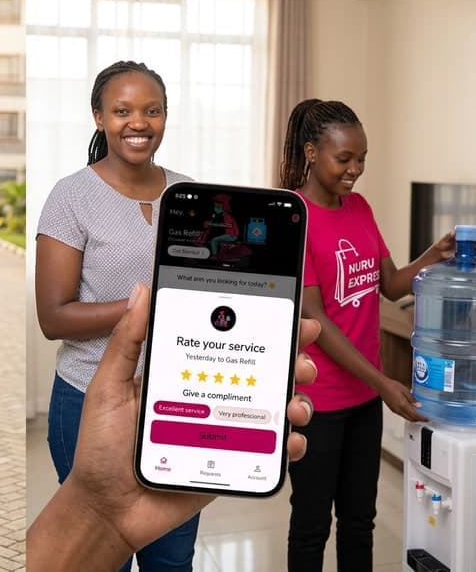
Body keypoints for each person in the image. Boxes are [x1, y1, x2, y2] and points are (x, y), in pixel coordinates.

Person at [26, 282, 321, 571]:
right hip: (131, 402)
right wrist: (97, 514)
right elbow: (53, 317)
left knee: (174, 561)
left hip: (171, 405)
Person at [278, 98, 455, 571]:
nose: (355, 170)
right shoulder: (295, 215)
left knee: (360, 520)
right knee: (312, 524)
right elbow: (315, 319)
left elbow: (391, 284)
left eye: (362, 159)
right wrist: (384, 383)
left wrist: (432, 256)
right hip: (318, 399)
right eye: (344, 159)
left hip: (363, 399)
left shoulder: (358, 207)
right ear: (312, 152)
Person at [35, 60, 199, 571]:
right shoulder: (71, 196)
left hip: (175, 399)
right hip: (87, 399)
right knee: (102, 559)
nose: (139, 122)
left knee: (172, 561)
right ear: (98, 118)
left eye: (152, 111)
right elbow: (54, 317)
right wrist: (147, 307)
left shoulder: (190, 193)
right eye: (123, 110)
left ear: (166, 117)